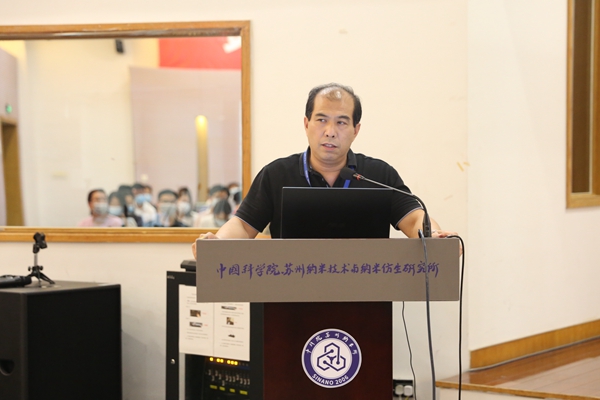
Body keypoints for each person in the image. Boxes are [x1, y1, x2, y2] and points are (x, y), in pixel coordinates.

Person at [192, 83, 458, 258]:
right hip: (289, 301)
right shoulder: (276, 174)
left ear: (356, 130)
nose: (330, 131)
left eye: (341, 122)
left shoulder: (378, 174)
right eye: (321, 120)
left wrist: (433, 236)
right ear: (306, 124)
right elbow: (243, 224)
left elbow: (414, 218)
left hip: (366, 301)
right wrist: (218, 243)